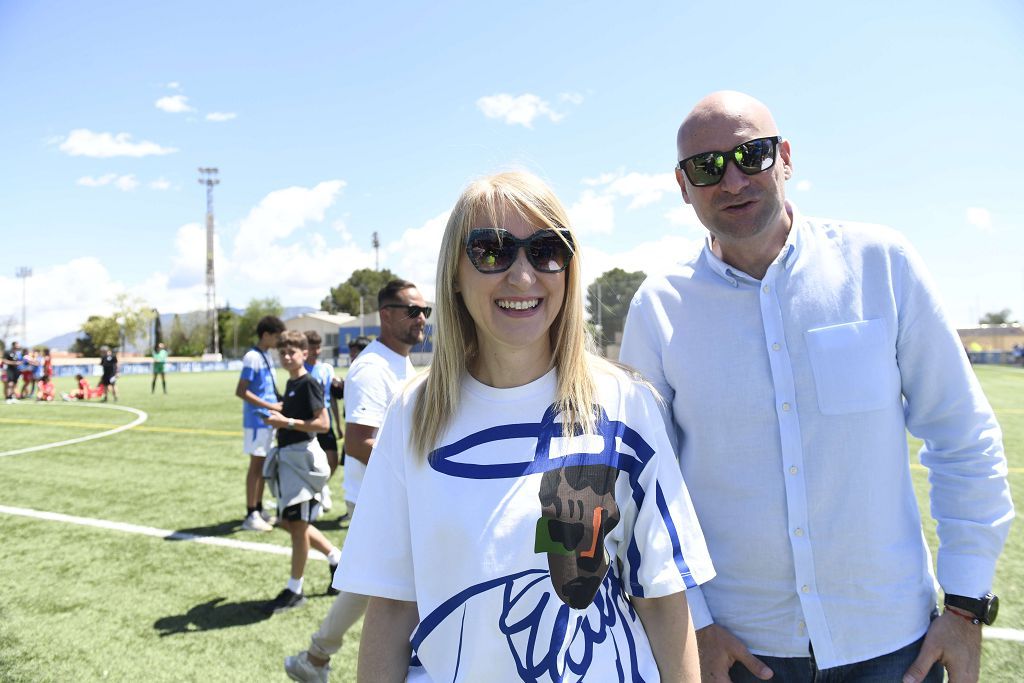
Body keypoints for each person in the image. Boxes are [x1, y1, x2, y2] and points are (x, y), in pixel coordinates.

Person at [619, 91, 1014, 683]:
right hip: (740, 652)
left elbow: (963, 437)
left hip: (895, 645)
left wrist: (964, 606)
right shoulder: (659, 307)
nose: (732, 180)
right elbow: (643, 486)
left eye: (750, 155)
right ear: (682, 186)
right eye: (706, 167)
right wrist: (695, 623)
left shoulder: (882, 264)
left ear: (784, 157)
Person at [328, 171, 714, 683]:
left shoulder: (625, 403)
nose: (523, 276)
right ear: (454, 275)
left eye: (546, 251)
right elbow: (393, 606)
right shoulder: (412, 414)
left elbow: (661, 596)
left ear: (569, 270)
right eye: (492, 251)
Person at [284, 282, 429, 682]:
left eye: (424, 311)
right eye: (412, 310)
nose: (421, 318)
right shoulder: (371, 368)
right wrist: (423, 471)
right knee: (392, 589)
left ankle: (315, 658)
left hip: (396, 495)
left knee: (375, 585)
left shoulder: (399, 363)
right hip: (376, 497)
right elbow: (359, 442)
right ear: (386, 314)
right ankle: (317, 656)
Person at [259, 330, 342, 615]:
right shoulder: (292, 382)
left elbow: (323, 423)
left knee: (296, 525)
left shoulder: (308, 383)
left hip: (301, 462)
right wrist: (277, 415)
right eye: (282, 352)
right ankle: (336, 558)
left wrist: (287, 422)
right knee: (292, 523)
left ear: (304, 354)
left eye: (291, 352)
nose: (286, 357)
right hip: (289, 460)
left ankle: (295, 589)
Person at [235, 315, 286, 532]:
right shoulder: (252, 357)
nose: (278, 342)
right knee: (256, 467)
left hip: (267, 420)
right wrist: (270, 405)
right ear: (266, 335)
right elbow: (241, 391)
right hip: (257, 421)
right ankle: (250, 514)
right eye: (276, 337)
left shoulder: (265, 355)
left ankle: (258, 507)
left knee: (263, 466)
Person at [302, 330, 340, 519]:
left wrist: (338, 424)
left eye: (318, 347)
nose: (316, 351)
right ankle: (315, 495)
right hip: (309, 423)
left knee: (333, 460)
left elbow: (331, 398)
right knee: (312, 463)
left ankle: (321, 486)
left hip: (327, 422)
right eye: (312, 347)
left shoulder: (326, 369)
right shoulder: (301, 369)